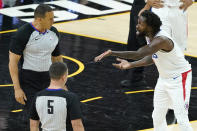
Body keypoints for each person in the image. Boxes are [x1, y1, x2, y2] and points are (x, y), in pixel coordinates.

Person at [94, 11, 193, 131]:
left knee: (182, 119)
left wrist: (112, 52)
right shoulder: (149, 37)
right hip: (163, 79)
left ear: (149, 26)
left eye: (140, 23)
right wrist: (131, 64)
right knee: (157, 116)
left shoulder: (161, 39)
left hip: (179, 78)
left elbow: (138, 53)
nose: (137, 26)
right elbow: (152, 57)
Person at [8, 4, 63, 121]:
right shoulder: (23, 33)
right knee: (35, 117)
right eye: (50, 19)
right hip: (29, 80)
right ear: (39, 19)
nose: (53, 21)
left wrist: (62, 82)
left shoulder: (54, 32)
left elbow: (57, 59)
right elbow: (12, 63)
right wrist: (17, 89)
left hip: (49, 78)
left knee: (51, 116)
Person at [30, 62, 85, 131]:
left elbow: (33, 126)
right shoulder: (70, 97)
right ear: (63, 77)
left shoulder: (37, 96)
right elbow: (77, 126)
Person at [120, 0, 147, 87]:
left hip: (146, 5)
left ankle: (137, 76)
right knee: (134, 40)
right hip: (139, 4)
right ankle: (136, 76)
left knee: (140, 40)